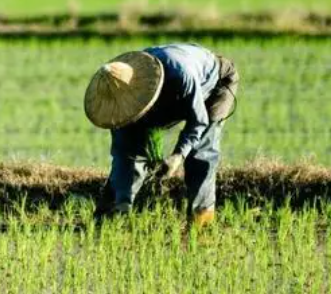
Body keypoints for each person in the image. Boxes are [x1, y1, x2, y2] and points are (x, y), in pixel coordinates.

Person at [84, 43, 239, 227]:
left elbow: (198, 121)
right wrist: (123, 200)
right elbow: (124, 153)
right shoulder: (119, 102)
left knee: (200, 152)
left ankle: (202, 220)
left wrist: (178, 155)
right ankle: (109, 214)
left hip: (216, 83)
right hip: (174, 85)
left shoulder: (180, 75)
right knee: (136, 146)